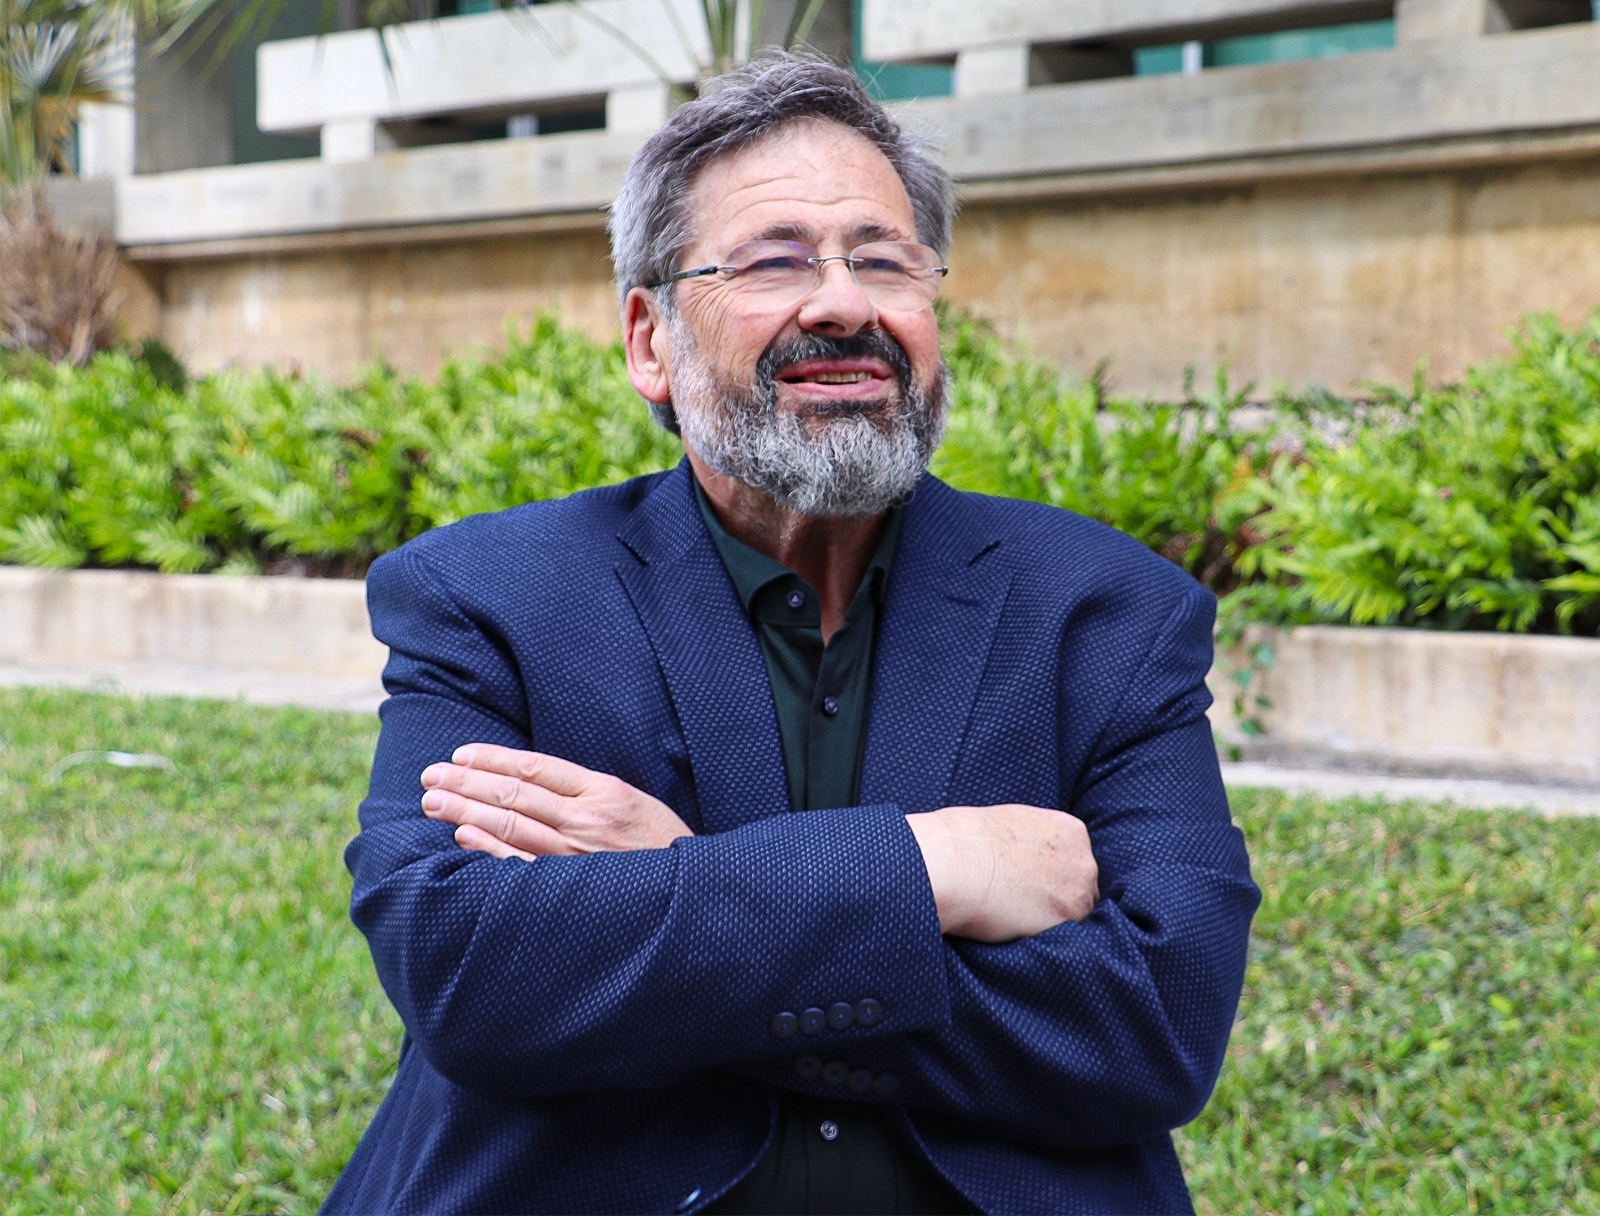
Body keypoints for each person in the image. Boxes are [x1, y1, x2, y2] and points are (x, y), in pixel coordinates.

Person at [320, 52, 1259, 1216]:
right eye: (774, 260)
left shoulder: (1106, 614)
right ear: (648, 341)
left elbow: (1158, 1025)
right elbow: (463, 970)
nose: (843, 302)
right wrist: (929, 871)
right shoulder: (487, 598)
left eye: (883, 259)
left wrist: (669, 902)